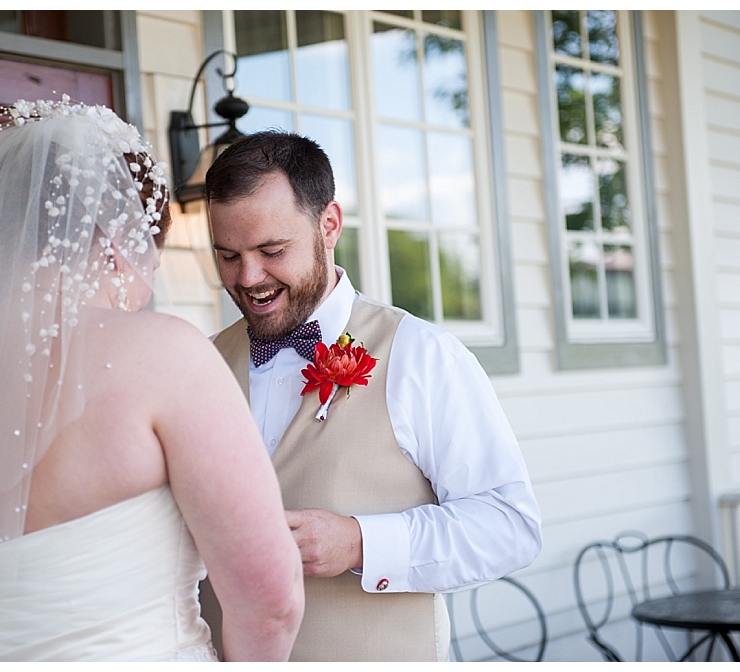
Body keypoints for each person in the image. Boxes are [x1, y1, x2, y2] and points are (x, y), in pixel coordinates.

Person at [0, 97, 303, 662]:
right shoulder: (165, 357)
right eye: (147, 266)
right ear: (113, 249)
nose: (146, 290)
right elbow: (268, 602)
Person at [201, 131, 542, 661]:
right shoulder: (198, 366)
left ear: (329, 224)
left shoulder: (421, 355)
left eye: (272, 250)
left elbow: (509, 526)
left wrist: (362, 543)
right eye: (227, 256)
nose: (249, 278)